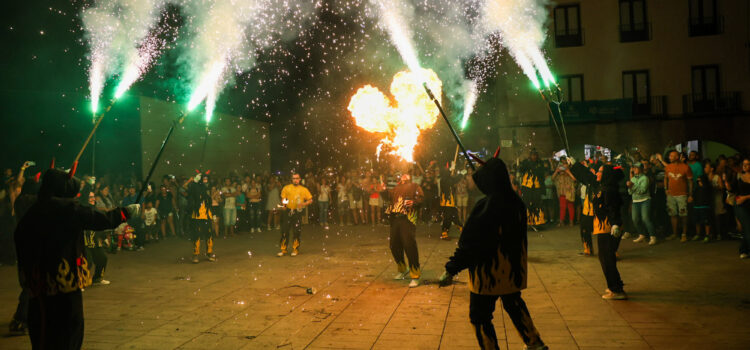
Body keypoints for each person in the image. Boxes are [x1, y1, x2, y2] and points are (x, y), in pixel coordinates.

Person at [14, 164, 138, 349]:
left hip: (38, 286)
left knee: (43, 335)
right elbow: (99, 219)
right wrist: (124, 212)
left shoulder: (34, 210)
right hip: (64, 284)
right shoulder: (66, 209)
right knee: (68, 332)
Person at [439, 150, 547, 350]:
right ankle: (535, 343)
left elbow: (470, 244)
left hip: (488, 273)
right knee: (514, 305)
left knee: (480, 317)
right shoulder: (516, 202)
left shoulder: (486, 206)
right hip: (512, 270)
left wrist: (451, 268)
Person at [571, 158, 628, 300]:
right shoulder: (600, 185)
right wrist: (575, 164)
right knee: (605, 258)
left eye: (600, 171)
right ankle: (615, 285)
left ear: (606, 174)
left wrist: (615, 224)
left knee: (607, 258)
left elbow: (614, 207)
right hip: (602, 227)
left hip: (609, 227)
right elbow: (587, 176)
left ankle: (617, 290)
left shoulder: (609, 189)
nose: (597, 173)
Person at [385, 173, 424, 288]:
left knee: (409, 245)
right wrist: (382, 190)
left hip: (408, 219)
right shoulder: (396, 188)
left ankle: (415, 275)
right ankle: (403, 269)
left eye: (407, 174)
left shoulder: (415, 186)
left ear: (410, 178)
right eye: (402, 174)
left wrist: (414, 202)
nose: (404, 176)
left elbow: (421, 198)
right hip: (395, 219)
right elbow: (388, 196)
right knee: (393, 245)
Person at [277, 173, 313, 257]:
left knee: (296, 231)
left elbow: (310, 200)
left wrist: (303, 204)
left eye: (297, 178)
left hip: (297, 212)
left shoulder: (304, 189)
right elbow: (283, 198)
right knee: (285, 231)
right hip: (288, 211)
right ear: (291, 179)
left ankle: (295, 249)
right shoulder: (286, 188)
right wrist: (284, 205)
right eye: (294, 178)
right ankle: (283, 250)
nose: (295, 180)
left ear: (300, 179)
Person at [662, 150, 694, 242]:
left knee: (683, 214)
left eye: (672, 156)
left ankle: (684, 234)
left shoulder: (685, 167)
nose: (670, 157)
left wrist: (690, 194)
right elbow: (665, 178)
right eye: (670, 156)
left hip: (682, 195)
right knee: (673, 214)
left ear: (677, 157)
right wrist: (665, 188)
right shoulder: (668, 167)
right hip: (671, 195)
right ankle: (675, 234)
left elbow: (690, 182)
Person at [186, 173, 215, 263]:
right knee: (197, 236)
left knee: (209, 235)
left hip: (207, 215)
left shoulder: (208, 188)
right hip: (197, 216)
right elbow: (187, 190)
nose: (206, 181)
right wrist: (194, 182)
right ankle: (196, 255)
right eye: (204, 179)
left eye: (207, 179)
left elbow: (210, 201)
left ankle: (209, 253)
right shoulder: (195, 188)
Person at [628, 163, 657, 245]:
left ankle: (653, 236)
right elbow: (630, 192)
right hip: (635, 201)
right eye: (634, 168)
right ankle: (642, 234)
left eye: (636, 168)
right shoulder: (633, 178)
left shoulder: (645, 178)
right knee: (635, 219)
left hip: (645, 200)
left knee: (645, 219)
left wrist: (632, 186)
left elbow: (642, 190)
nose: (634, 170)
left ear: (640, 169)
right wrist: (631, 187)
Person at [518, 150, 548, 226]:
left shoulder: (540, 163)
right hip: (527, 186)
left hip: (537, 187)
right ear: (530, 156)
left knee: (537, 204)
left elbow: (541, 174)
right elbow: (520, 169)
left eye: (535, 155)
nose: (534, 157)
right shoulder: (526, 162)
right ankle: (528, 222)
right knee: (527, 204)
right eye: (533, 155)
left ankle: (538, 222)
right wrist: (520, 163)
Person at [732, 158, 750, 259]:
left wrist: (746, 197)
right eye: (744, 164)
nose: (745, 166)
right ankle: (744, 250)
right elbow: (735, 193)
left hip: (746, 202)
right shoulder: (739, 177)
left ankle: (744, 249)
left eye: (748, 164)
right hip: (741, 205)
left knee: (747, 229)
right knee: (747, 228)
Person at [553, 158, 576, 226]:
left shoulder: (571, 173)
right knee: (562, 208)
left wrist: (568, 172)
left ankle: (571, 221)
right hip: (562, 193)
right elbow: (552, 178)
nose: (563, 166)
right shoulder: (560, 175)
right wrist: (556, 171)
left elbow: (575, 179)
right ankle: (561, 221)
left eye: (565, 164)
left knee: (570, 207)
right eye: (562, 165)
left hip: (570, 193)